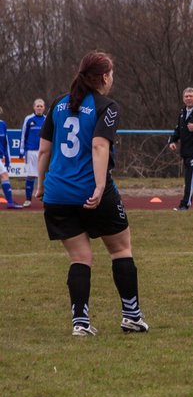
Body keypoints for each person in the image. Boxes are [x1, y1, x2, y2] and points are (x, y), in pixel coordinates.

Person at [33, 51, 148, 335]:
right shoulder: (106, 106)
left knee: (80, 258)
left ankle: (80, 324)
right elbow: (99, 146)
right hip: (90, 191)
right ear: (105, 77)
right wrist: (98, 186)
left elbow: (44, 149)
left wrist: (39, 184)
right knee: (121, 250)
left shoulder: (59, 104)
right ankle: (131, 316)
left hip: (57, 194)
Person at [21, 99, 46, 206]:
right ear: (34, 107)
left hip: (44, 152)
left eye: (41, 106)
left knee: (45, 176)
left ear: (44, 108)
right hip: (31, 151)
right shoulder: (29, 119)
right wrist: (22, 150)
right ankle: (28, 200)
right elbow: (23, 135)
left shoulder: (47, 119)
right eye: (37, 106)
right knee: (30, 176)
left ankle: (45, 199)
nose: (39, 108)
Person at [0, 107, 16, 208]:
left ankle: (10, 202)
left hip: (0, 156)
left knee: (4, 175)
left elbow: (5, 143)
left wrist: (7, 159)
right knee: (4, 175)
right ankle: (10, 202)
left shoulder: (2, 124)